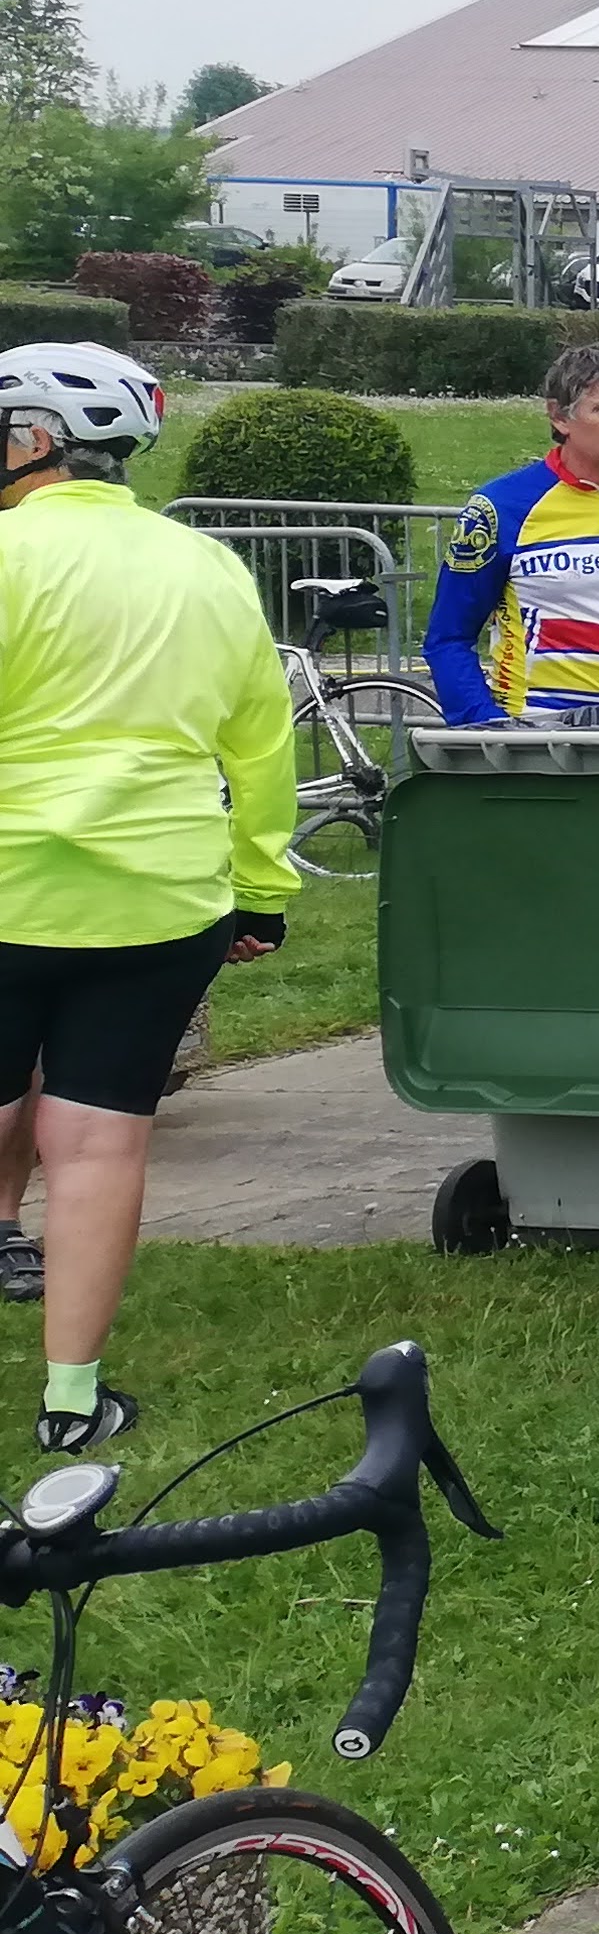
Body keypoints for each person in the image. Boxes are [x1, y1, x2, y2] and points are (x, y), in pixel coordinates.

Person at [0, 344, 293, 1450]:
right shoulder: (209, 567)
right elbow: (260, 744)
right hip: (160, 899)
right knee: (98, 1141)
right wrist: (261, 889)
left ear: (36, 439)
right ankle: (73, 1402)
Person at [422, 338, 599, 725]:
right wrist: (488, 725)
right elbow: (449, 637)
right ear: (559, 416)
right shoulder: (502, 505)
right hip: (537, 731)